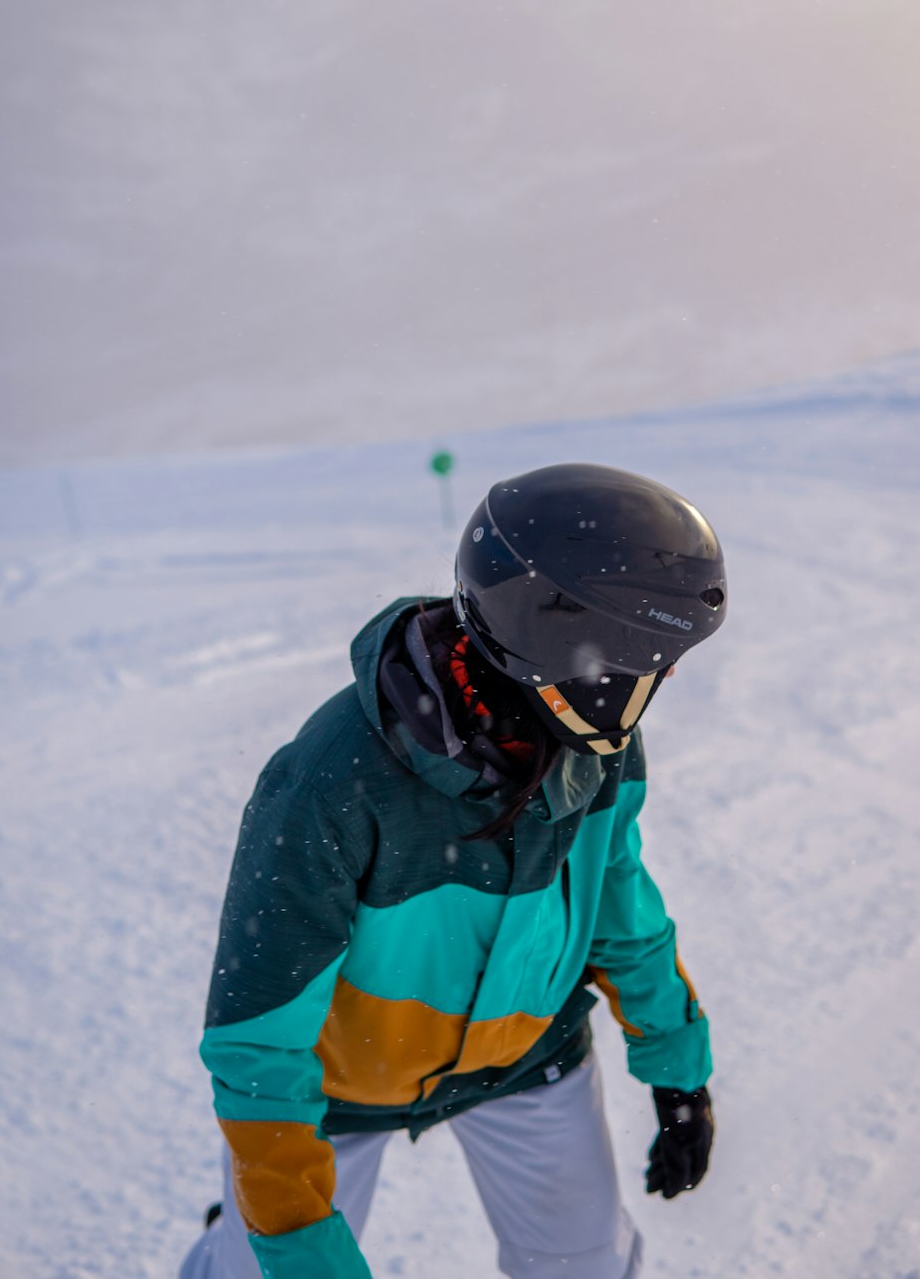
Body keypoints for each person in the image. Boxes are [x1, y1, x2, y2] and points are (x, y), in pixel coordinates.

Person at [180, 462, 727, 1279]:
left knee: (584, 1267)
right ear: (551, 641)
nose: (666, 676)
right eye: (645, 653)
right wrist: (290, 1231)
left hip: (528, 1053)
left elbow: (620, 908)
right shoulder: (333, 784)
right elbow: (258, 1034)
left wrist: (677, 1065)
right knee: (260, 1268)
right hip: (337, 1085)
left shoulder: (593, 745)